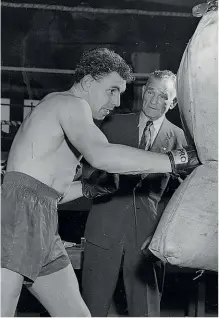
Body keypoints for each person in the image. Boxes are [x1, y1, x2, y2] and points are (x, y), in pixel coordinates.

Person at [1, 48, 198, 317]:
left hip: (42, 215)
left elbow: (48, 193)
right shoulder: (70, 103)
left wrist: (85, 188)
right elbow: (101, 155)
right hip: (18, 214)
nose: (117, 102)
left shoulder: (70, 116)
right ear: (89, 82)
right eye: (112, 90)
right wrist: (174, 161)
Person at [82, 70, 187, 317]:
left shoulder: (179, 138)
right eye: (150, 91)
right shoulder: (111, 124)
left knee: (146, 311)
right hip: (104, 230)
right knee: (90, 309)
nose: (152, 100)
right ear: (143, 91)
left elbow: (180, 198)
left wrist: (163, 234)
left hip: (148, 239)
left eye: (163, 96)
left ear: (172, 103)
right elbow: (87, 171)